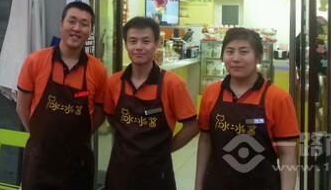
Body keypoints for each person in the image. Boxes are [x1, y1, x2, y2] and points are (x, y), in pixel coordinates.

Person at [16, 1, 108, 190]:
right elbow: (21, 107)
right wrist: (40, 136)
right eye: (72, 21)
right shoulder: (35, 61)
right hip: (40, 163)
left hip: (78, 165)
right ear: (61, 24)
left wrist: (78, 137)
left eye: (84, 24)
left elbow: (99, 114)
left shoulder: (98, 70)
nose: (77, 28)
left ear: (90, 31)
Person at [195, 27, 299, 190]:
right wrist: (198, 185)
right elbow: (205, 141)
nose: (236, 58)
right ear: (222, 56)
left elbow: (288, 154)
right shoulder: (211, 93)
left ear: (259, 57)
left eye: (244, 52)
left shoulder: (278, 98)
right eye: (230, 51)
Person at [105, 17, 199, 190]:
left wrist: (166, 149)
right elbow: (112, 119)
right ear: (125, 45)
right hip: (120, 171)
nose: (139, 47)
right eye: (133, 41)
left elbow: (192, 126)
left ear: (157, 44)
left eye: (146, 41)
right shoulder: (113, 83)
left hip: (157, 174)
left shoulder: (172, 84)